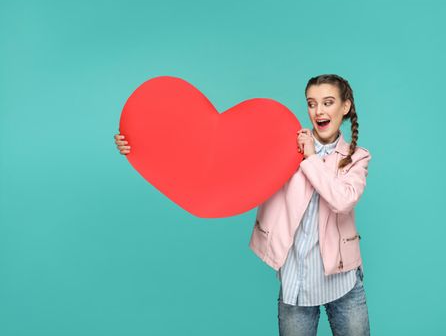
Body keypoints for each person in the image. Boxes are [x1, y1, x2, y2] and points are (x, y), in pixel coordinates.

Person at [114, 74, 372, 336]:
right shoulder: (286, 145)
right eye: (311, 103)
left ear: (345, 107)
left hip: (343, 282)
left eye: (328, 103)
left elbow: (342, 200)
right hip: (297, 283)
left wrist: (311, 158)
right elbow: (219, 161)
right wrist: (140, 143)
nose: (318, 111)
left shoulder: (357, 158)